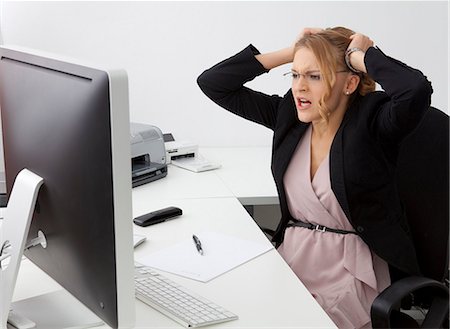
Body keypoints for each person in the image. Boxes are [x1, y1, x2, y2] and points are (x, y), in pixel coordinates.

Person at [197, 26, 433, 328]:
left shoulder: (374, 123)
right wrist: (292, 52)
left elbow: (415, 90)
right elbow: (213, 83)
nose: (300, 88)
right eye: (295, 75)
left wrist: (362, 56)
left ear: (349, 83)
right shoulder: (289, 116)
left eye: (315, 76)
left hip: (352, 269)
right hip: (294, 256)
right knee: (236, 309)